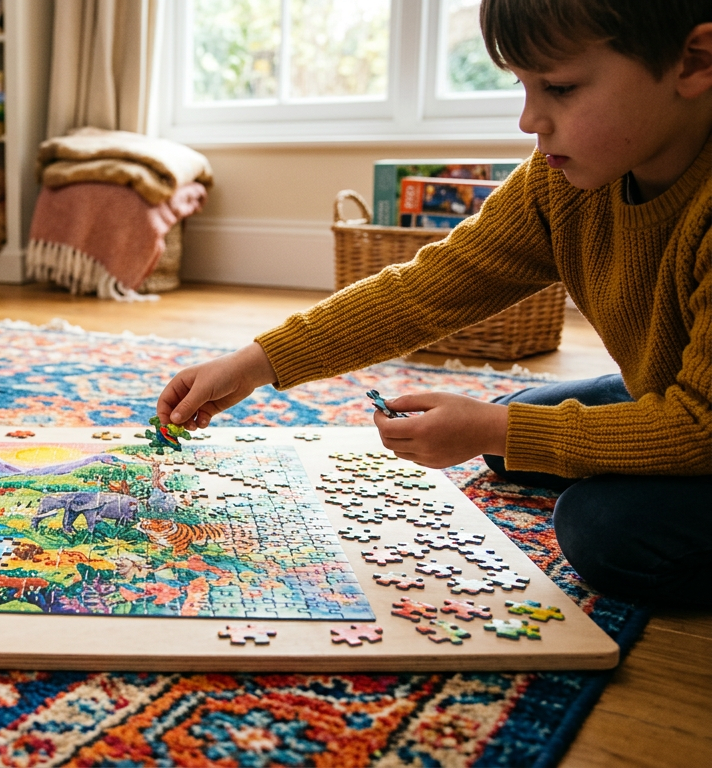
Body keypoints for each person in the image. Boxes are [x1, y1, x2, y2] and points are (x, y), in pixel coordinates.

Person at [157, 0, 712, 607]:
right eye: (522, 86)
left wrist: (497, 429)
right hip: (683, 392)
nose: (530, 120)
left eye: (559, 87)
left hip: (704, 421)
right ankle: (640, 402)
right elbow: (429, 289)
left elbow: (703, 429)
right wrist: (257, 361)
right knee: (508, 432)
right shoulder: (560, 182)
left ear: (694, 61)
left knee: (602, 527)